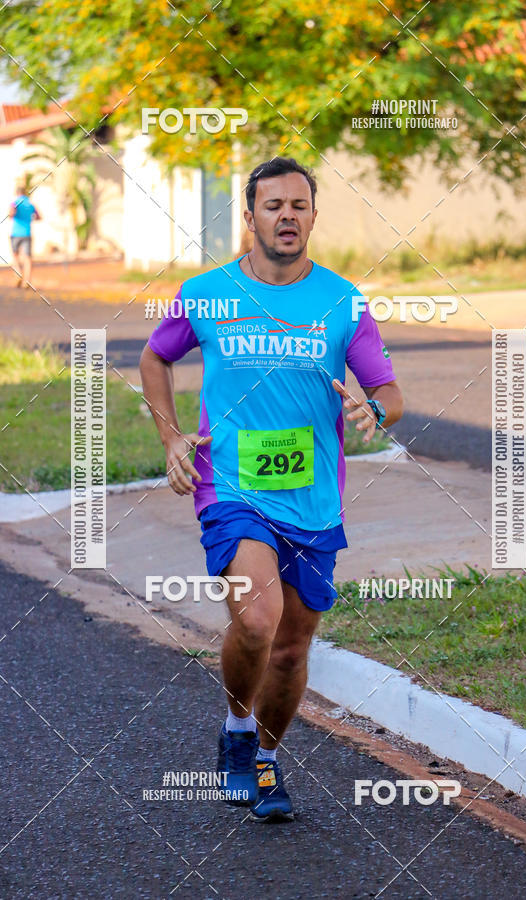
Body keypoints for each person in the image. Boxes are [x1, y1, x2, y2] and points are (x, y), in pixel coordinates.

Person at [140, 157, 403, 823]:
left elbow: (389, 393)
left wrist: (375, 412)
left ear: (313, 216)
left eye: (299, 205)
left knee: (291, 648)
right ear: (251, 216)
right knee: (258, 621)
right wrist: (172, 437)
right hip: (230, 486)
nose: (287, 215)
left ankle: (265, 754)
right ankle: (235, 728)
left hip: (313, 498)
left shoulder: (342, 301)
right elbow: (155, 357)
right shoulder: (207, 294)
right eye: (273, 205)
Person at [9, 182, 41, 289]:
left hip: (16, 233)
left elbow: (11, 214)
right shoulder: (30, 204)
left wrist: (13, 215)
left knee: (15, 255)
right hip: (27, 233)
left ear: (17, 193)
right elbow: (39, 217)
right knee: (27, 258)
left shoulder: (15, 203)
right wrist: (29, 218)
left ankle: (18, 273)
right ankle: (27, 281)